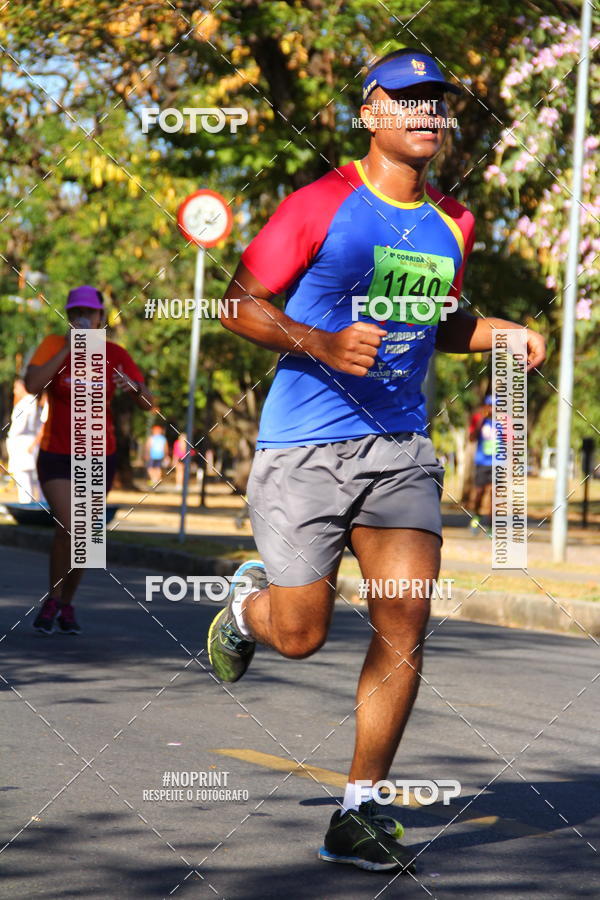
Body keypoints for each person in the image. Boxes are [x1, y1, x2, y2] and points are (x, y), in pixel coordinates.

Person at [207, 47, 546, 873]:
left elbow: (438, 320)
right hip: (306, 446)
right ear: (371, 113)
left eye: (437, 102)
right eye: (408, 99)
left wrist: (502, 332)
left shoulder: (455, 223)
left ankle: (357, 811)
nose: (426, 114)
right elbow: (238, 305)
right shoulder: (321, 204)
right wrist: (319, 340)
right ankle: (247, 608)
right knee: (300, 635)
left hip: (399, 449)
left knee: (405, 618)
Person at [25, 285, 154, 634]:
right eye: (76, 312)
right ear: (68, 317)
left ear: (101, 317)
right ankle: (54, 598)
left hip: (99, 455)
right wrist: (69, 347)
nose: (82, 318)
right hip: (56, 454)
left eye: (89, 312)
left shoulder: (115, 353)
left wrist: (134, 388)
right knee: (70, 524)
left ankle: (65, 604)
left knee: (86, 537)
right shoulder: (54, 345)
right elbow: (32, 384)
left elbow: (148, 402)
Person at [6, 378, 45, 503]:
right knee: (34, 476)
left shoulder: (26, 403)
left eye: (16, 388)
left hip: (23, 443)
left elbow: (20, 426)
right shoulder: (32, 401)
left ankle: (28, 503)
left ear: (22, 387)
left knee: (24, 476)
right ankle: (40, 502)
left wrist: (12, 437)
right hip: (29, 442)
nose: (14, 391)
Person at [470, 395, 503, 533]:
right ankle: (476, 516)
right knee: (479, 492)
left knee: (494, 495)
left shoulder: (504, 422)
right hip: (482, 462)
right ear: (486, 406)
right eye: (490, 406)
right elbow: (471, 438)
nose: (492, 409)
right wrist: (481, 420)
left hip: (498, 463)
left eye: (495, 406)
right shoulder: (479, 419)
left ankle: (491, 526)